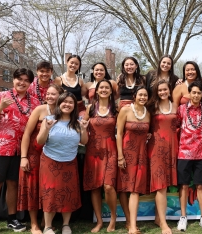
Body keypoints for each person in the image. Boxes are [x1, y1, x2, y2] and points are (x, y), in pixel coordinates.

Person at [0, 68, 41, 233]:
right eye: (19, 79)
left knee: (14, 184)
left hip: (21, 151)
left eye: (26, 80)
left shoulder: (35, 102)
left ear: (30, 83)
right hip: (0, 148)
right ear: (13, 79)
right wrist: (0, 107)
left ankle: (12, 219)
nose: (22, 82)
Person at [37, 92, 89, 234]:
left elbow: (84, 142)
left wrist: (84, 129)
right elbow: (40, 141)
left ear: (74, 106)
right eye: (64, 102)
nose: (67, 104)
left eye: (70, 102)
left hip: (69, 161)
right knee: (50, 193)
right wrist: (46, 128)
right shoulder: (49, 119)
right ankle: (48, 226)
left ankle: (66, 225)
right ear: (59, 103)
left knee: (68, 193)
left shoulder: (78, 121)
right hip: (50, 161)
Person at [18, 84, 64, 234]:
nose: (49, 97)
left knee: (49, 187)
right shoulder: (39, 110)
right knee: (33, 188)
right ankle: (34, 224)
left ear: (60, 96)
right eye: (48, 94)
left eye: (54, 94)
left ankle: (46, 221)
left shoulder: (63, 111)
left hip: (52, 154)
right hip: (34, 154)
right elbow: (27, 134)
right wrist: (24, 157)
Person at [176, 81, 202, 232]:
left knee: (200, 185)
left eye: (199, 93)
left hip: (201, 153)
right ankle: (183, 217)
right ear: (189, 94)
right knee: (183, 185)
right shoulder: (181, 109)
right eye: (193, 92)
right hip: (184, 152)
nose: (196, 95)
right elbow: (176, 126)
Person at [82, 80, 118, 233]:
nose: (104, 90)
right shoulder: (90, 108)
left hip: (111, 149)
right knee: (95, 187)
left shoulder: (117, 109)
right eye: (101, 87)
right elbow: (83, 132)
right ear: (96, 91)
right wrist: (82, 128)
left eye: (107, 88)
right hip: (93, 150)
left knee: (108, 186)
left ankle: (113, 218)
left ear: (111, 91)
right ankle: (99, 221)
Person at [117, 86, 151, 234]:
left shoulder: (148, 113)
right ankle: (130, 223)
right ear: (135, 96)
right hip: (126, 153)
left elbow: (148, 133)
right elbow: (118, 133)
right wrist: (120, 156)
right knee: (124, 188)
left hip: (141, 154)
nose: (143, 97)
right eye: (140, 95)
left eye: (145, 95)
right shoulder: (125, 110)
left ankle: (132, 224)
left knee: (135, 189)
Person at [147, 80, 178, 234]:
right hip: (156, 148)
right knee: (161, 185)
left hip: (172, 148)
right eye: (159, 90)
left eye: (165, 89)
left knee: (166, 184)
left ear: (169, 90)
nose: (162, 92)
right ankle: (164, 223)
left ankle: (158, 218)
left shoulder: (176, 106)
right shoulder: (152, 107)